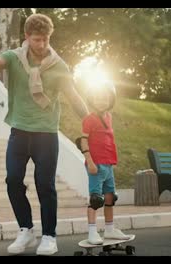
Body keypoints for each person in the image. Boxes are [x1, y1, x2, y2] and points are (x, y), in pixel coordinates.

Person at [0, 13, 89, 255]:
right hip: (19, 131)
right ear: (27, 37)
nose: (41, 45)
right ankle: (26, 229)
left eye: (45, 40)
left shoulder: (59, 66)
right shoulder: (13, 58)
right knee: (13, 180)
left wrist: (93, 123)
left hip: (46, 134)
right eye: (36, 40)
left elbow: (74, 98)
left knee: (45, 185)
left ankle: (49, 236)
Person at [77, 80, 130, 245]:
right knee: (96, 199)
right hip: (96, 165)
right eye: (98, 97)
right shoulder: (89, 119)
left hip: (108, 165)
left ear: (110, 99)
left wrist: (112, 161)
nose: (101, 101)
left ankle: (109, 229)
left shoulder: (109, 117)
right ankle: (92, 232)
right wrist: (90, 162)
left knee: (109, 198)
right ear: (92, 99)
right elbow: (83, 141)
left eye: (105, 98)